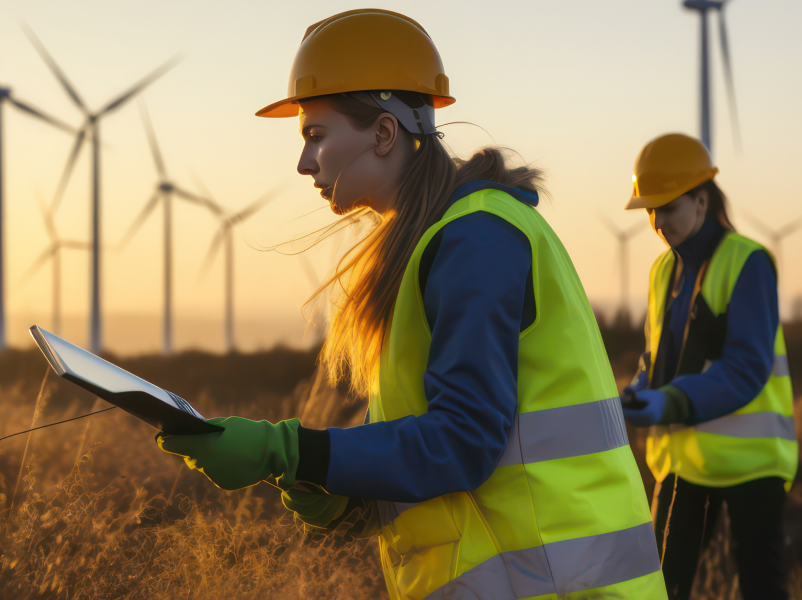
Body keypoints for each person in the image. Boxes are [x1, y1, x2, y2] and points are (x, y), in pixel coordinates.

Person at [156, 9, 664, 600]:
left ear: (384, 132)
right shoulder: (437, 243)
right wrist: (341, 490)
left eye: (316, 136)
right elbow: (438, 444)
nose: (303, 163)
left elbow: (464, 441)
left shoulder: (477, 238)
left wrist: (287, 447)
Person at [619, 133, 797, 600]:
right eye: (650, 211)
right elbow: (656, 355)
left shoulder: (748, 263)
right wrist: (641, 389)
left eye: (668, 208)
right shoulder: (662, 270)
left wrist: (669, 401)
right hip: (681, 463)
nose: (657, 222)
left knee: (762, 588)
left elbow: (746, 367)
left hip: (752, 466)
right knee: (661, 591)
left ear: (701, 200)